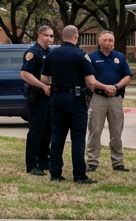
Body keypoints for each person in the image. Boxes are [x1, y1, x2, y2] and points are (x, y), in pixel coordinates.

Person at [41, 25, 106, 184]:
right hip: (75, 100)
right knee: (77, 137)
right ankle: (79, 175)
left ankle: (55, 173)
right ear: (76, 37)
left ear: (62, 36)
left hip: (57, 99)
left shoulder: (52, 53)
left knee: (57, 137)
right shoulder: (80, 54)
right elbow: (91, 81)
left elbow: (44, 79)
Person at [86, 31, 132, 171]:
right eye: (106, 40)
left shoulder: (120, 57)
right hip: (98, 97)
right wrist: (104, 87)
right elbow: (89, 79)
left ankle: (118, 162)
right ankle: (92, 162)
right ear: (100, 42)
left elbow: (127, 76)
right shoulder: (90, 57)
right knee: (95, 130)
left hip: (115, 99)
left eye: (111, 40)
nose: (109, 43)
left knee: (116, 131)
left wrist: (116, 87)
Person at [20, 25, 56, 175]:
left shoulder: (50, 52)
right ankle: (32, 164)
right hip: (37, 95)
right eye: (47, 35)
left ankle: (43, 160)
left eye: (52, 36)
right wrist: (42, 86)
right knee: (36, 131)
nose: (49, 39)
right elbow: (25, 74)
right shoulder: (33, 52)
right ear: (39, 35)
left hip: (49, 96)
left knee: (48, 130)